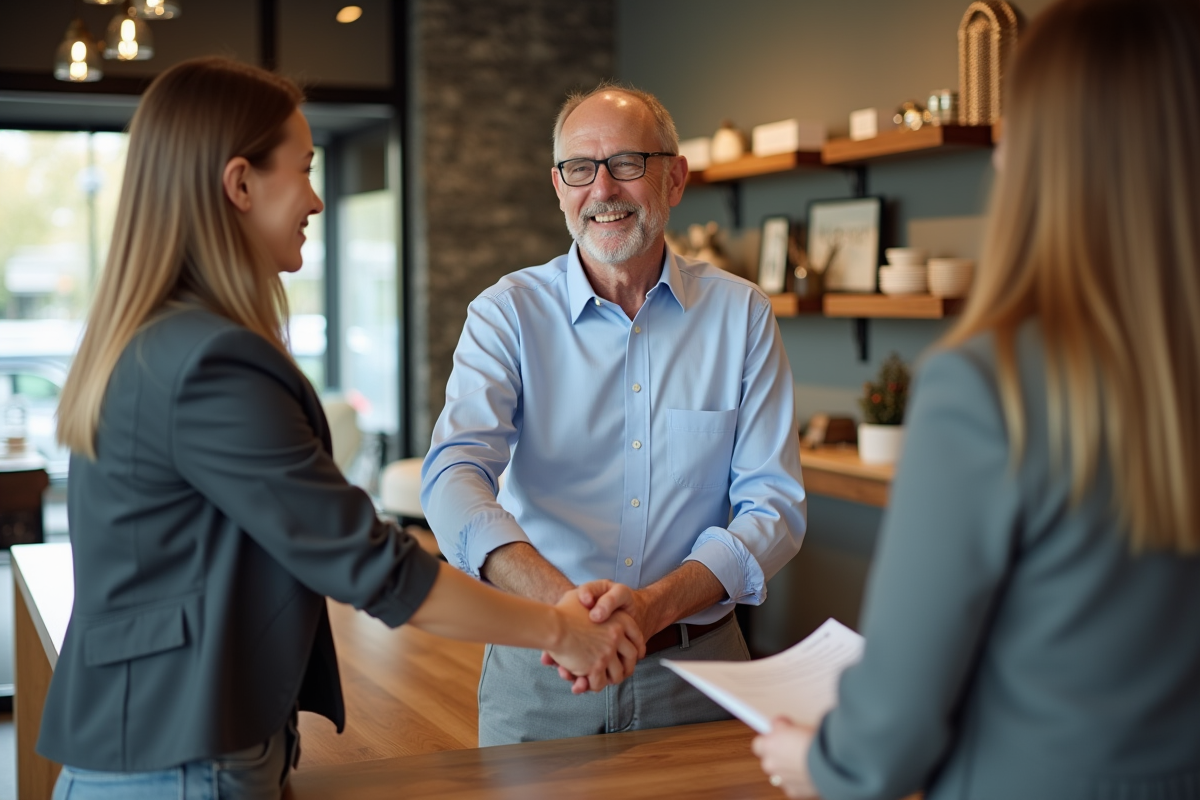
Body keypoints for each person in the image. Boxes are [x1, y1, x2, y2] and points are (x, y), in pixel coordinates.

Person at [40, 57, 643, 800]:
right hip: (180, 759)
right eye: (303, 170)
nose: (317, 199)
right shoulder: (209, 361)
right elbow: (365, 561)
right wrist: (560, 629)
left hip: (163, 746)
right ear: (240, 184)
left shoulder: (162, 340)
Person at [752, 0, 1200, 797]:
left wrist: (819, 761)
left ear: (1051, 153)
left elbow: (894, 728)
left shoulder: (988, 384)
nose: (998, 154)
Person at [421, 82, 807, 746]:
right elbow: (452, 475)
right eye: (580, 168)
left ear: (674, 179)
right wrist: (562, 609)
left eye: (627, 163)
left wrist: (653, 606)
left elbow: (774, 505)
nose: (602, 189)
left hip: (698, 674)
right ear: (559, 186)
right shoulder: (506, 314)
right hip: (540, 670)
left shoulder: (741, 315)